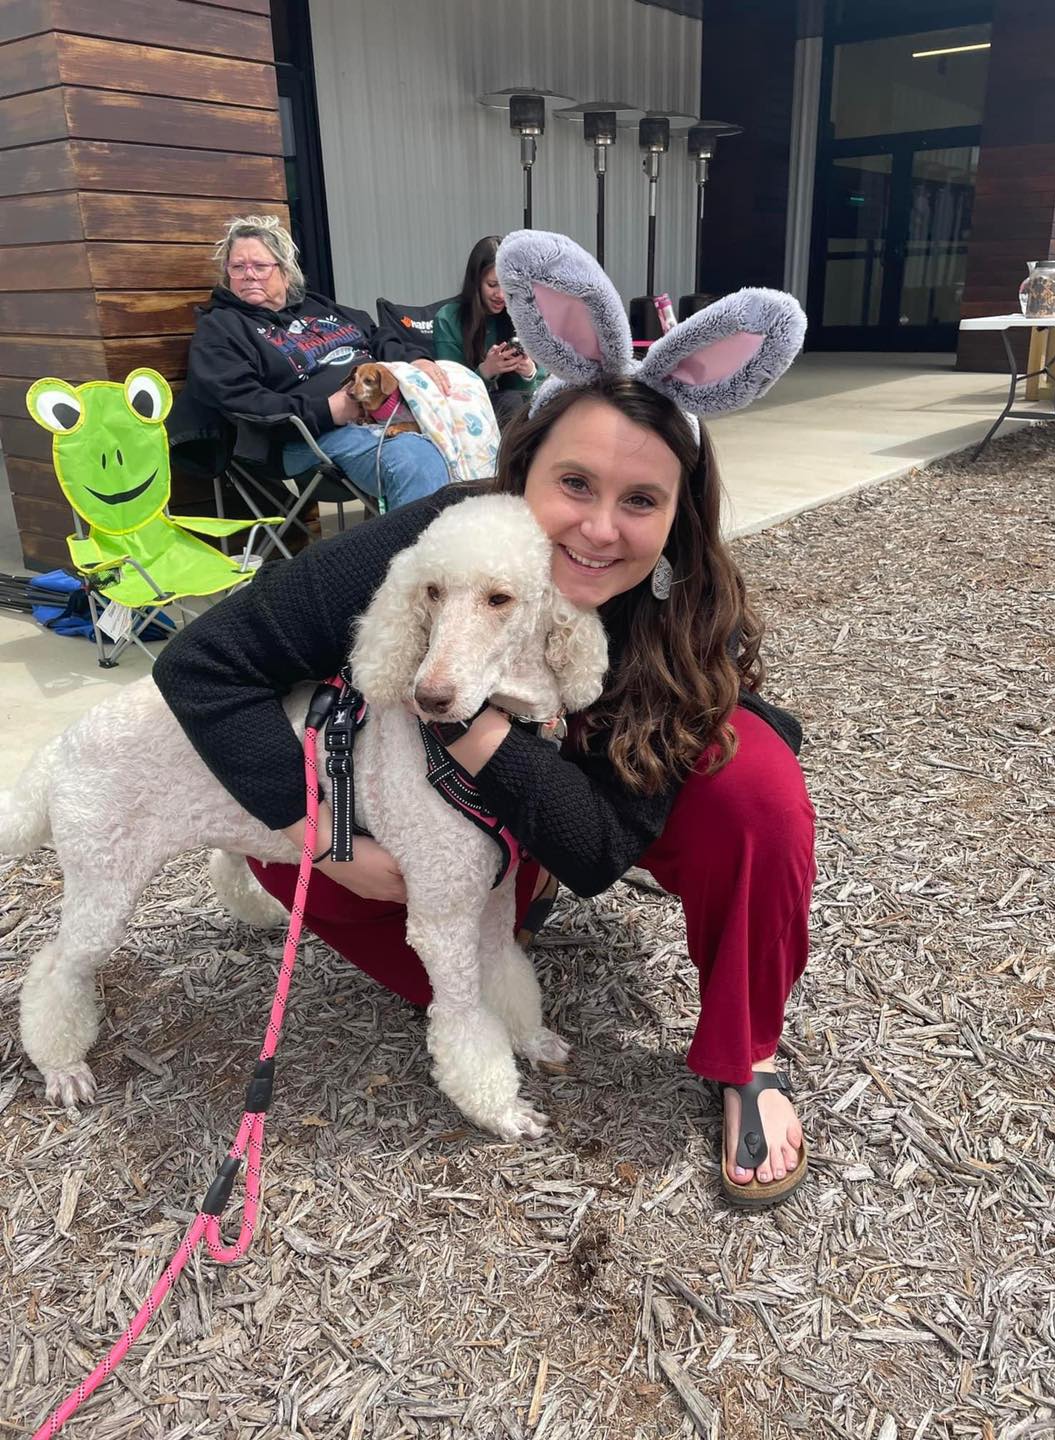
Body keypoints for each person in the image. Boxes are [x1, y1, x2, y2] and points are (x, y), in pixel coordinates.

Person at [153, 231, 813, 1207]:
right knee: (285, 827)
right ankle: (487, 926)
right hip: (451, 802)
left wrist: (460, 712)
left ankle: (745, 1051)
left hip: (592, 780)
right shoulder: (447, 536)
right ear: (522, 469)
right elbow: (206, 666)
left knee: (753, 784)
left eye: (641, 500)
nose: (598, 527)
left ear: (680, 516)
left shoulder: (677, 616)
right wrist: (320, 835)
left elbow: (600, 850)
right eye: (574, 483)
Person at [176, 214, 451, 515]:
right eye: (237, 267)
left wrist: (416, 359)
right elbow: (241, 398)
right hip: (307, 438)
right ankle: (417, 560)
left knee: (475, 431)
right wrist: (326, 411)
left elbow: (377, 334)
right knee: (415, 460)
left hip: (388, 411)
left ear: (285, 271)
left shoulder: (317, 306)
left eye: (260, 266)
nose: (248, 275)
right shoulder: (222, 328)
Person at [434, 235, 544, 430]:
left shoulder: (523, 312)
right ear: (476, 282)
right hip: (471, 414)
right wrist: (485, 372)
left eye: (507, 285)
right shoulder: (448, 319)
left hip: (521, 409)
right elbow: (449, 392)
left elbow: (543, 384)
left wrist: (529, 373)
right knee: (511, 402)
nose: (500, 295)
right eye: (492, 285)